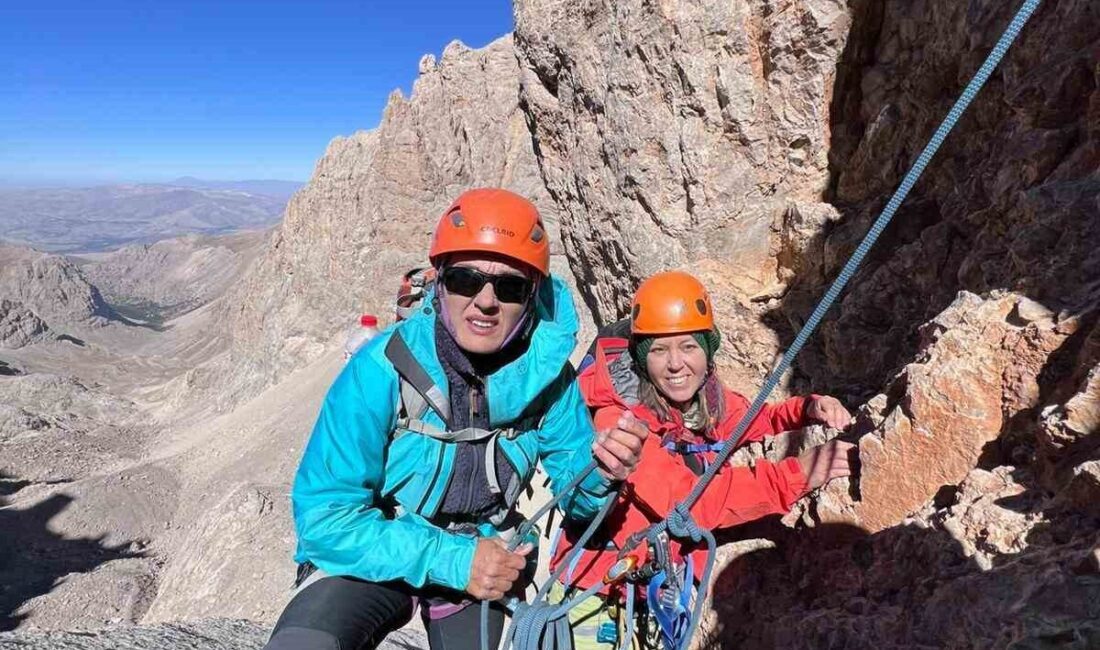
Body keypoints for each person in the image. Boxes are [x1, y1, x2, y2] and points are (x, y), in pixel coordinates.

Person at [265, 188, 649, 650]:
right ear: (439, 282)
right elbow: (325, 520)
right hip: (382, 542)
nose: (485, 301)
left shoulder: (551, 383)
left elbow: (580, 508)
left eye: (510, 287)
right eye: (466, 280)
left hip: (486, 554)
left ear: (532, 297)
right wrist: (453, 559)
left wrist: (601, 476)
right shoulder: (381, 370)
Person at [549, 270, 856, 650]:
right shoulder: (619, 421)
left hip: (654, 594)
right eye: (659, 350)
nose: (676, 364)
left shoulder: (701, 402)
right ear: (643, 360)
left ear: (708, 351)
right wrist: (797, 474)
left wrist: (806, 409)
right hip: (599, 602)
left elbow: (750, 419)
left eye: (689, 347)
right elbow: (693, 502)